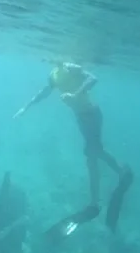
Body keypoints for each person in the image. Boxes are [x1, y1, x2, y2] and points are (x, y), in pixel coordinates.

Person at [13, 59, 133, 238]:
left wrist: (76, 94)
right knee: (94, 152)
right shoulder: (53, 75)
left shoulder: (69, 67)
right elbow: (44, 92)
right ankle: (119, 175)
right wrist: (26, 107)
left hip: (92, 114)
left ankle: (97, 199)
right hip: (81, 118)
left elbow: (93, 78)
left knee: (92, 154)